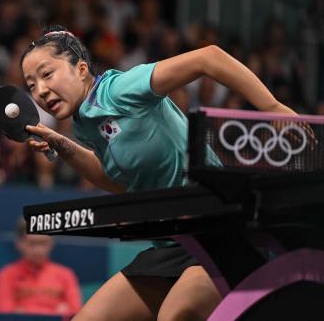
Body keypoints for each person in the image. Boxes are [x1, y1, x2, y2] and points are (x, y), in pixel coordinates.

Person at [20, 25, 299, 321]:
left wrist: (273, 107)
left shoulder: (121, 88)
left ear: (81, 69)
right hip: (172, 245)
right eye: (31, 85)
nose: (40, 90)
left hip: (220, 231)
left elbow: (209, 57)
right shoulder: (84, 124)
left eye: (47, 74)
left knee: (175, 316)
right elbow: (120, 184)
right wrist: (63, 146)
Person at [0, 218, 82, 316]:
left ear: (51, 243)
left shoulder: (66, 274)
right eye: (32, 243)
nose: (38, 250)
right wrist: (55, 312)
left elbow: (76, 314)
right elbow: (4, 315)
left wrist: (23, 312)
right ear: (19, 243)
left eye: (43, 243)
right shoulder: (6, 274)